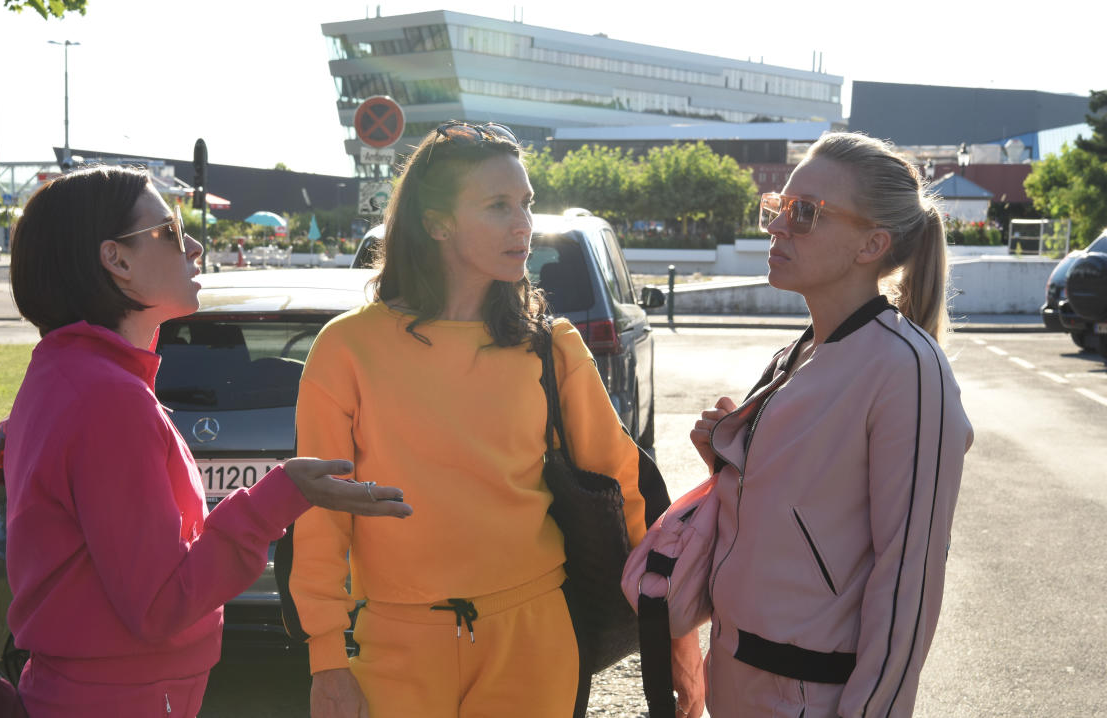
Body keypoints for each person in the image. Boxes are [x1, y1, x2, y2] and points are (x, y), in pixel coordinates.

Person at [290, 121, 682, 718]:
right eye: (498, 205)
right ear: (436, 222)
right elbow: (323, 515)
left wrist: (671, 636)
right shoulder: (346, 348)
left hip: (535, 636)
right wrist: (326, 663)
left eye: (525, 202)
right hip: (394, 645)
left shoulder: (551, 345)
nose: (523, 222)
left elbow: (625, 492)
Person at [4, 165, 412, 718]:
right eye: (170, 231)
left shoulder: (67, 373)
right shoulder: (107, 399)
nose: (194, 245)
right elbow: (161, 604)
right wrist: (279, 494)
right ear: (116, 260)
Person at [689, 132, 973, 717]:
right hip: (737, 683)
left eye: (805, 213)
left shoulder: (907, 369)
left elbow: (909, 583)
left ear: (872, 243)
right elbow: (803, 517)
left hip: (810, 698)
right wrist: (729, 463)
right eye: (777, 207)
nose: (777, 227)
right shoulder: (799, 351)